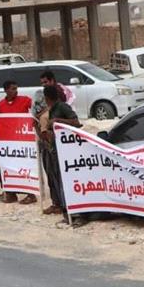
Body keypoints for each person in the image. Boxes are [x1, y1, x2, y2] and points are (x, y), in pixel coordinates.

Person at [39, 85, 86, 226]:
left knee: (68, 183)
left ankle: (77, 215)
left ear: (46, 98)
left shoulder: (62, 107)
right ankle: (67, 213)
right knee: (59, 183)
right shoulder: (52, 110)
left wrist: (59, 121)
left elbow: (76, 123)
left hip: (67, 153)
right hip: (56, 151)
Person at [0, 81, 36, 205]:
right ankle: (10, 193)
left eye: (16, 88)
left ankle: (31, 194)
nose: (15, 91)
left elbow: (37, 108)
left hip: (23, 141)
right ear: (6, 90)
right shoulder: (0, 105)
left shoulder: (25, 100)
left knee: (25, 167)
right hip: (8, 143)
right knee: (6, 166)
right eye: (12, 89)